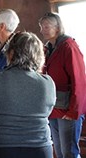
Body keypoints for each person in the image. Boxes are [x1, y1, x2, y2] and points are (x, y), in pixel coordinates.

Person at [0, 32, 55, 158]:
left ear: (11, 53)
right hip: (41, 150)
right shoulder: (48, 83)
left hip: (1, 149)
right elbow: (46, 112)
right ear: (39, 56)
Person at [39, 12, 86, 158]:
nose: (42, 30)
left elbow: (79, 80)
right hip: (54, 107)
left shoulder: (69, 47)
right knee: (59, 151)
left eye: (46, 26)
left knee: (69, 152)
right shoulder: (48, 49)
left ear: (58, 28)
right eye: (41, 27)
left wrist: (73, 111)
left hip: (67, 108)